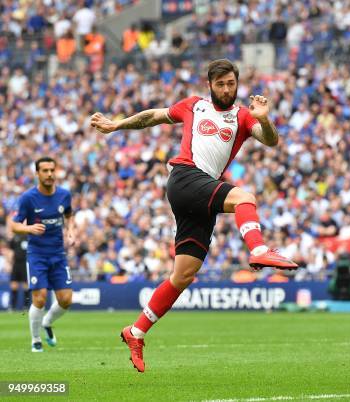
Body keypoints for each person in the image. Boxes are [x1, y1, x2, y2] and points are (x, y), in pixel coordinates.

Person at [90, 58, 299, 372]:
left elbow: (271, 140)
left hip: (200, 193)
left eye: (231, 83)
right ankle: (258, 250)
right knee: (244, 196)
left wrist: (265, 120)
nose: (227, 89)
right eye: (221, 84)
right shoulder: (193, 106)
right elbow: (153, 117)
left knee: (183, 275)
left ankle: (135, 331)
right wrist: (116, 125)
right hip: (185, 177)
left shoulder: (243, 116)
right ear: (210, 85)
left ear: (237, 84)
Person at [11, 157, 75, 352]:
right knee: (39, 298)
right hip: (37, 254)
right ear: (37, 173)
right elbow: (13, 225)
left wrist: (70, 231)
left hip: (58, 254)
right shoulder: (28, 198)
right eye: (45, 171)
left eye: (52, 170)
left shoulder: (64, 195)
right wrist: (29, 229)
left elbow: (69, 215)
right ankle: (36, 339)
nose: (49, 174)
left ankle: (47, 322)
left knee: (66, 300)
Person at [7, 224, 30, 312]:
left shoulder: (29, 237)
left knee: (26, 285)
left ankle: (26, 306)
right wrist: (9, 263)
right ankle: (12, 306)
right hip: (16, 263)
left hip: (25, 263)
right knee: (14, 285)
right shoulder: (15, 237)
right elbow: (10, 250)